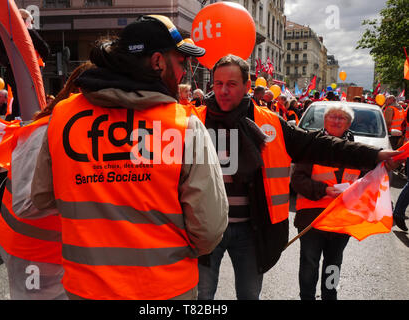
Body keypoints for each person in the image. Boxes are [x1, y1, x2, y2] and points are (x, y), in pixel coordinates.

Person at [30, 15, 228, 300]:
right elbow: (208, 230)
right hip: (164, 289)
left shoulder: (63, 116)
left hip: (86, 289)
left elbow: (42, 197)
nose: (185, 71)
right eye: (181, 62)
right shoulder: (183, 125)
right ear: (158, 61)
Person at [195, 54, 401, 300]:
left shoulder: (270, 122)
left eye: (231, 83)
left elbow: (319, 145)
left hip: (252, 231)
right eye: (218, 83)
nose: (223, 90)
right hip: (206, 229)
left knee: (249, 295)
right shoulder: (194, 120)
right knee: (202, 296)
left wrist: (375, 154)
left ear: (247, 86)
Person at [0, 62, 95, 300]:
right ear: (79, 95)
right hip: (32, 253)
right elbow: (25, 203)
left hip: (53, 252)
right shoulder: (42, 132)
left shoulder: (76, 130)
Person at [291, 104, 364, 300]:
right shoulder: (311, 145)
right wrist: (324, 190)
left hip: (341, 220)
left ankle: (329, 296)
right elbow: (297, 180)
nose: (336, 120)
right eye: (332, 116)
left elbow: (366, 181)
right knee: (309, 263)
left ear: (348, 124)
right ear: (325, 121)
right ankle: (306, 297)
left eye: (341, 118)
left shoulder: (356, 150)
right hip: (312, 219)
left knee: (334, 264)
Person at [0, 9, 49, 120]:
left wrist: (8, 62)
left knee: (18, 96)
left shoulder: (2, 33)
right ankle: (26, 119)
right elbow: (45, 49)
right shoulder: (29, 33)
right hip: (30, 71)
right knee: (30, 97)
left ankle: (16, 118)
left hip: (15, 71)